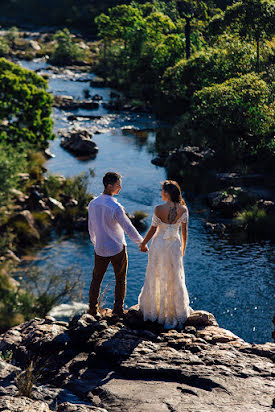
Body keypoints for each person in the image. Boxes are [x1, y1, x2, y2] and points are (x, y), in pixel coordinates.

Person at [88, 172, 148, 317]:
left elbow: (91, 227)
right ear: (110, 186)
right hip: (117, 248)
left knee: (96, 279)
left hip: (100, 248)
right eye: (117, 185)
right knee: (120, 279)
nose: (120, 187)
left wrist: (96, 242)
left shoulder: (92, 203)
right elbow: (128, 228)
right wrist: (142, 243)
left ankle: (92, 309)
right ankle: (118, 309)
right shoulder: (115, 207)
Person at [138, 180, 192, 328]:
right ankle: (174, 310)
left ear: (167, 193)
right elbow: (184, 232)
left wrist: (143, 243)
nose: (161, 193)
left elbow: (153, 230)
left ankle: (155, 310)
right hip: (174, 246)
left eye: (162, 191)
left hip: (159, 246)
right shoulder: (184, 210)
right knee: (174, 275)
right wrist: (183, 248)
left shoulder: (158, 209)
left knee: (156, 273)